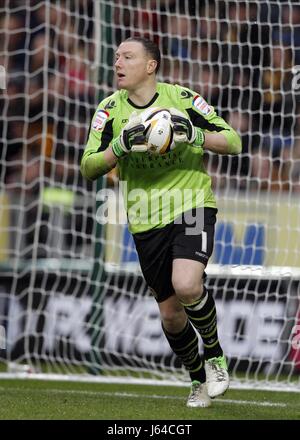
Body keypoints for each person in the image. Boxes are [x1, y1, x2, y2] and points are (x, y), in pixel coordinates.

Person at [81, 37, 242, 408]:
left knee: (186, 284)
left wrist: (196, 135)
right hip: (145, 219)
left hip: (191, 204)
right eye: (116, 56)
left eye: (127, 56)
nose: (117, 62)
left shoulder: (183, 100)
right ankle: (197, 379)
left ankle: (216, 357)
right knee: (170, 316)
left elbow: (233, 142)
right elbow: (89, 167)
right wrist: (118, 147)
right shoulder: (108, 111)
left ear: (150, 66)